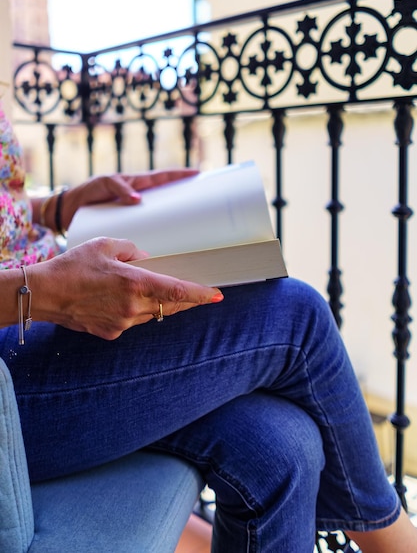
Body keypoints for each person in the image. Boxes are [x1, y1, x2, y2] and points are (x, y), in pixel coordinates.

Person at [1, 102, 416, 553]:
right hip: (14, 347)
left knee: (283, 448)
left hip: (34, 301)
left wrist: (58, 207)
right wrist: (43, 294)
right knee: (294, 316)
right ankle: (396, 544)